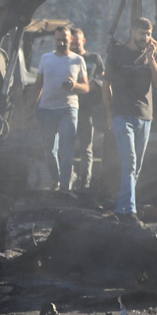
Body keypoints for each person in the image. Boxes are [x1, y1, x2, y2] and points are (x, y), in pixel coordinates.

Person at [103, 16, 157, 221]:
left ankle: (122, 209)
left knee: (136, 166)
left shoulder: (151, 55)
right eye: (141, 33)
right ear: (132, 32)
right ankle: (129, 211)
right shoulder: (117, 53)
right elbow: (106, 85)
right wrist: (109, 114)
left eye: (148, 34)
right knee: (129, 162)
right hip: (123, 116)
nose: (145, 37)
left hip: (145, 117)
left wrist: (151, 58)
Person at [30, 25, 89, 193]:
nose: (62, 43)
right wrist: (31, 109)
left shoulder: (78, 60)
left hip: (68, 108)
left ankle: (64, 185)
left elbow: (86, 88)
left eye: (65, 39)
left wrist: (74, 85)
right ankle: (56, 180)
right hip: (47, 109)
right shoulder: (45, 58)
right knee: (49, 149)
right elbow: (38, 85)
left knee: (67, 148)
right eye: (59, 40)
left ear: (71, 39)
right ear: (54, 40)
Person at [68, 27, 104, 192]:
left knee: (86, 147)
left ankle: (85, 183)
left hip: (87, 109)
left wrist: (96, 84)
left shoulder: (94, 58)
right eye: (72, 43)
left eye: (77, 43)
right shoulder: (65, 59)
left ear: (83, 41)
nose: (75, 46)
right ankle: (67, 180)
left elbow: (105, 79)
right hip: (68, 107)